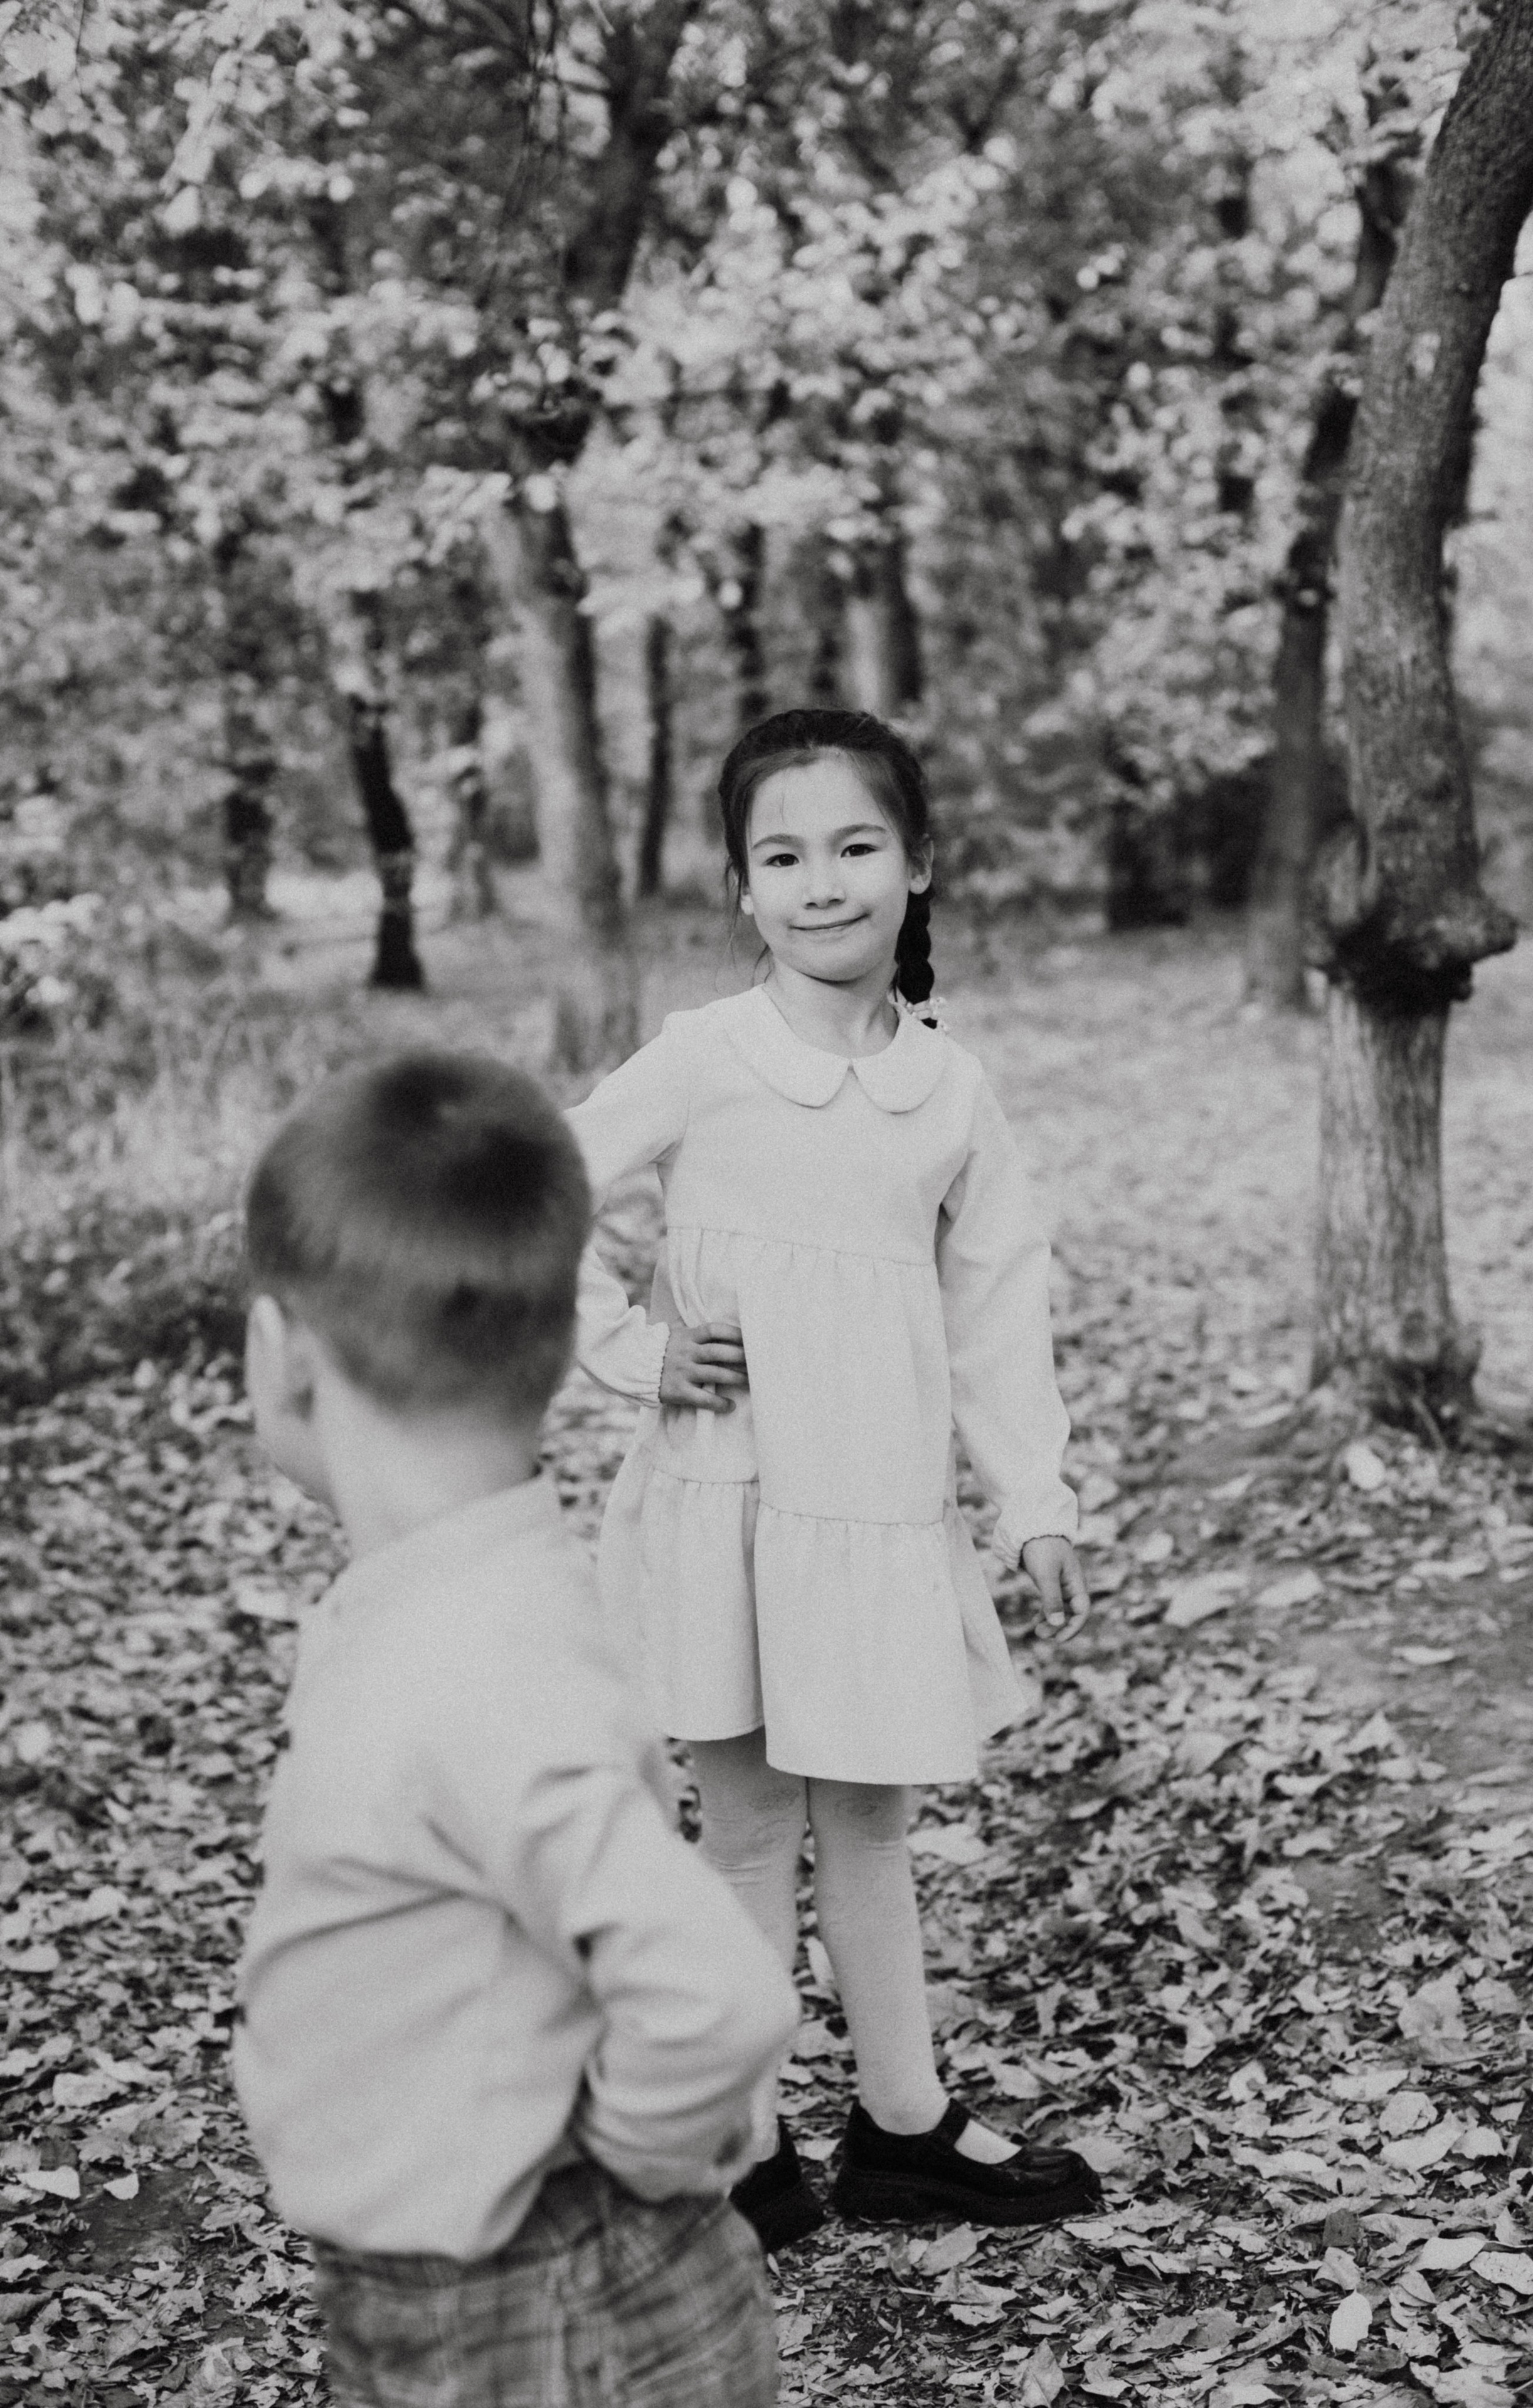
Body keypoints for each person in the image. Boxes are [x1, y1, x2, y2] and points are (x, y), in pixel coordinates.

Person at [567, 709, 1103, 2251]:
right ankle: (739, 2152)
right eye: (781, 856)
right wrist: (628, 1348)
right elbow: (524, 1192)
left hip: (873, 1513)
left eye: (855, 847)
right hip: (725, 1505)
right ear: (741, 888)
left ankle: (902, 2126)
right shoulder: (705, 1062)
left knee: (867, 1823)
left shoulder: (950, 1091)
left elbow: (997, 1307)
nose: (820, 884)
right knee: (740, 1836)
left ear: (916, 866)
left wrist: (1037, 1500)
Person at [232, 1051, 798, 2408]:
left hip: (538, 2310)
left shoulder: (470, 1664)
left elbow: (715, 1999)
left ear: (285, 1354)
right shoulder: (467, 1597)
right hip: (472, 2287)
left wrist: (622, 2173)